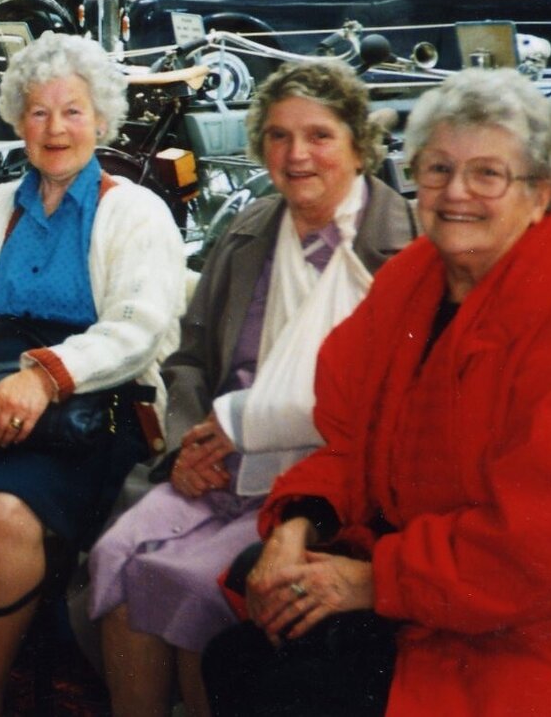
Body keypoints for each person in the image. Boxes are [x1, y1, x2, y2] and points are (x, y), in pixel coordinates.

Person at [204, 69, 551, 717]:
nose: (456, 193)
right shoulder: (412, 278)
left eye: (489, 174)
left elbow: (540, 545)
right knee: (237, 653)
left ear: (540, 194)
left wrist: (376, 583)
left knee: (285, 689)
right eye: (436, 169)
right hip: (417, 593)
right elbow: (350, 440)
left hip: (516, 628)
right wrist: (297, 523)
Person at [86, 60, 415, 717]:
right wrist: (186, 446)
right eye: (278, 136)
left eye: (319, 135)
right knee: (114, 559)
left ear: (358, 144)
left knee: (186, 582)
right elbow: (188, 361)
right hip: (214, 464)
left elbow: (379, 412)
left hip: (322, 484)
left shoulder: (405, 249)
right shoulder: (246, 232)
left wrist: (244, 426)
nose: (297, 155)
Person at [0, 31, 186, 717]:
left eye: (73, 111)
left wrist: (46, 377)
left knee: (3, 515)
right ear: (16, 119)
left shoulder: (136, 211)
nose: (55, 128)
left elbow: (141, 326)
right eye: (37, 112)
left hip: (91, 408)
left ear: (102, 120)